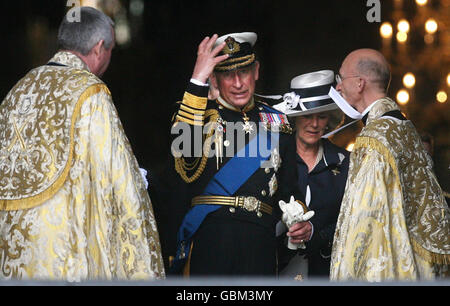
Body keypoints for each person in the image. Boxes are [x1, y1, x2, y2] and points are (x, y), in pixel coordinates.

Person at [0, 7, 164, 281]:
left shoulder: (17, 91)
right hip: (65, 253)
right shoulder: (90, 91)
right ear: (100, 48)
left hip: (11, 254)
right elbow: (118, 178)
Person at [167, 32, 301, 276]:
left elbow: (291, 191)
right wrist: (197, 79)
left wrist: (299, 220)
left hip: (259, 245)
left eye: (245, 72)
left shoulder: (278, 123)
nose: (238, 83)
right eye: (228, 74)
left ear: (257, 71)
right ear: (215, 79)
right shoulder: (198, 115)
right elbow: (185, 158)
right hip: (212, 242)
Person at [330, 48, 450, 281]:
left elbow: (364, 219)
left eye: (340, 79)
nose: (338, 87)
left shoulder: (375, 138)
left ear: (359, 83)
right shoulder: (405, 128)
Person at [274, 70, 350, 279]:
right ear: (294, 118)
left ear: (330, 119)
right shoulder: (273, 161)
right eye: (307, 115)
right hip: (275, 271)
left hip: (326, 274)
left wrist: (315, 232)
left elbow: (355, 220)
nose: (315, 124)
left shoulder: (346, 163)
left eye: (322, 116)